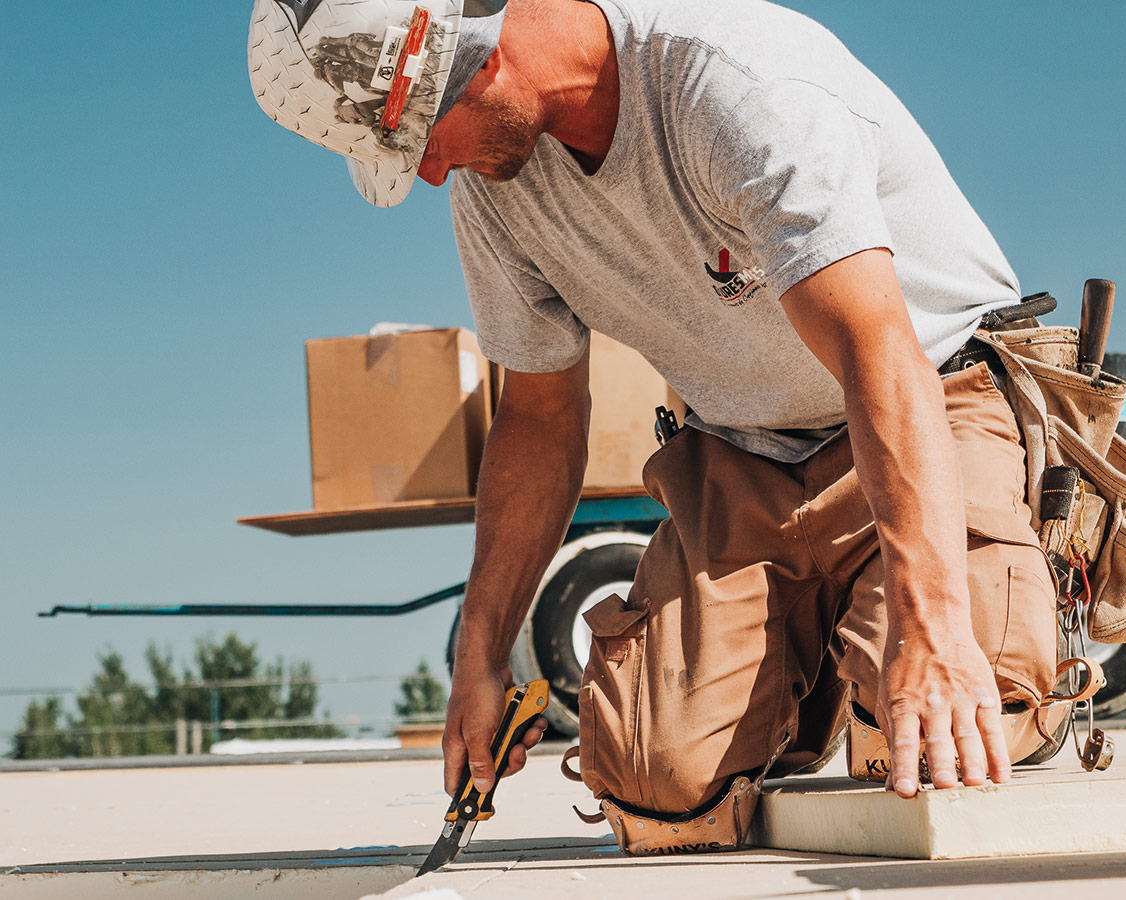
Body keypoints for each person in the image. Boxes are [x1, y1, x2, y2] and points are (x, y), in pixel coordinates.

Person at [250, 0, 1059, 853]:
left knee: (943, 740)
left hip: (933, 400)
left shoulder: (734, 85)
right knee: (654, 782)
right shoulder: (497, 193)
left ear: (474, 57)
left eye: (418, 137)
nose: (429, 175)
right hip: (745, 454)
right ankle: (834, 658)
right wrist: (480, 655)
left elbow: (875, 350)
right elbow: (538, 420)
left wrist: (933, 625)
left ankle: (1001, 612)